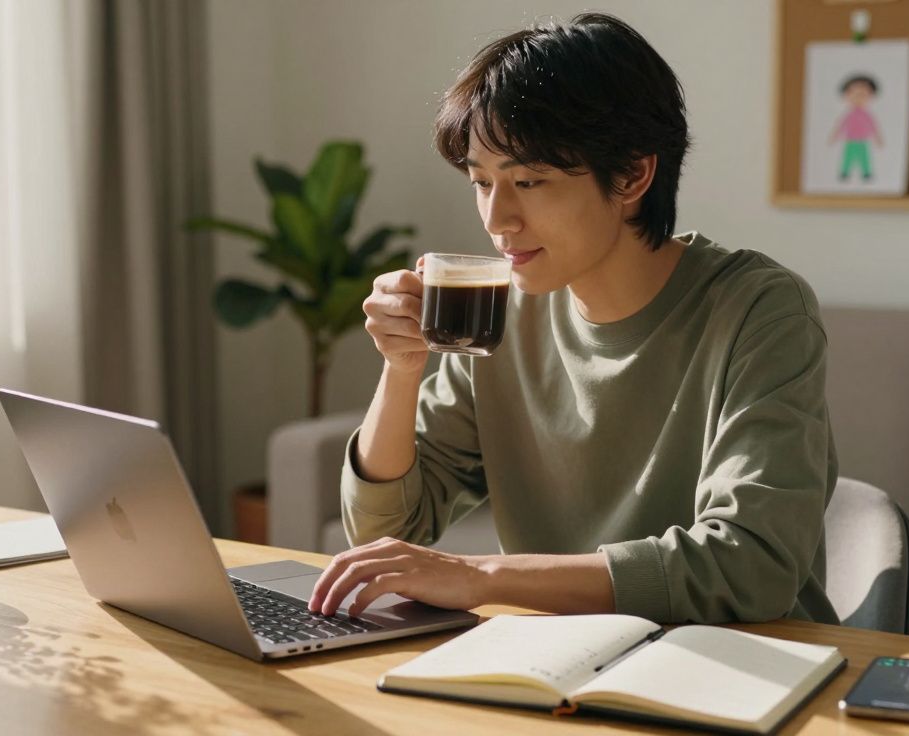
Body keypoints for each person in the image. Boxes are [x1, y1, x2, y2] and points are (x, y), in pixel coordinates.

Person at [307, 12, 839, 626]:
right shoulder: (501, 309)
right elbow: (387, 533)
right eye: (481, 183)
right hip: (561, 663)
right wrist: (401, 372)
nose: (496, 218)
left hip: (742, 668)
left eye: (529, 181)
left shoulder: (760, 311)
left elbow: (750, 568)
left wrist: (480, 575)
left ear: (634, 174)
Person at [830, 75, 883, 182]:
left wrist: (877, 138)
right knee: (847, 158)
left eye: (863, 94)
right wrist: (834, 136)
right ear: (847, 96)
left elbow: (873, 127)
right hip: (850, 141)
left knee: (865, 158)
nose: (858, 97)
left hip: (862, 141)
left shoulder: (867, 115)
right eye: (854, 94)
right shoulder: (848, 115)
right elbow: (841, 126)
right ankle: (844, 172)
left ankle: (866, 173)